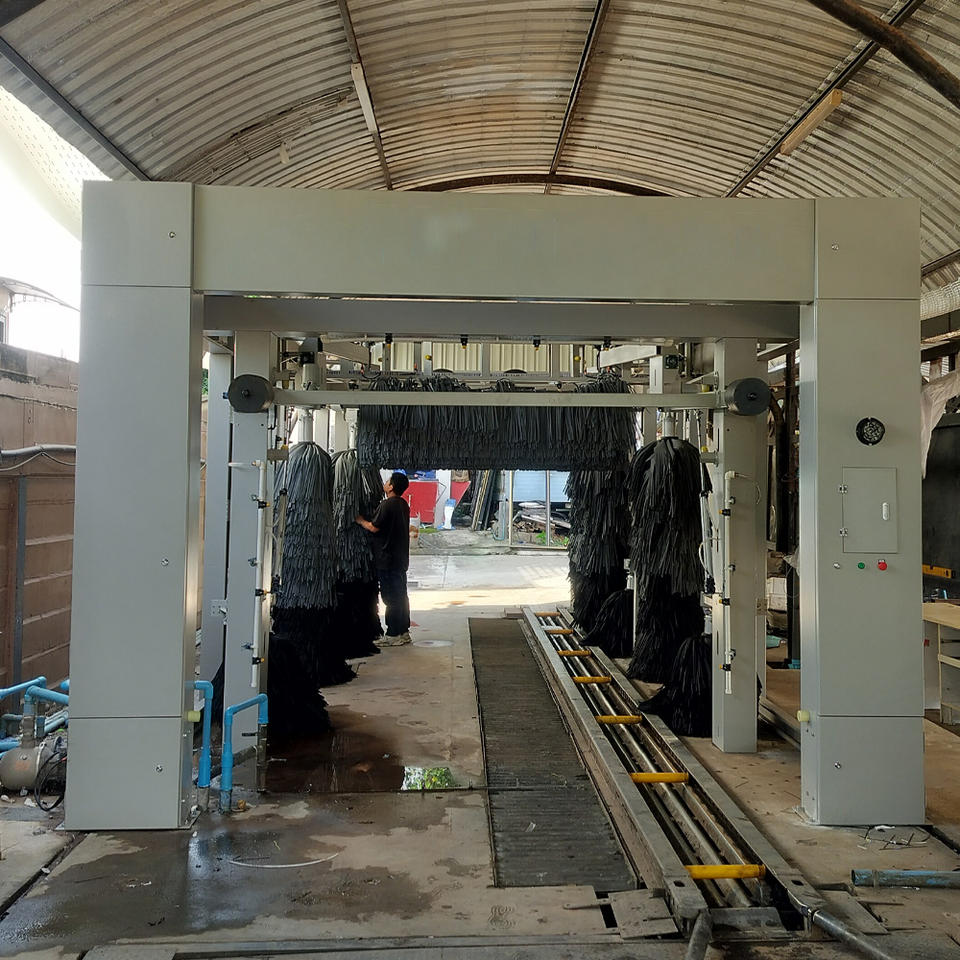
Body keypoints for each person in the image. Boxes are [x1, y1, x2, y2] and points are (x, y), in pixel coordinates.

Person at [356, 471, 412, 646]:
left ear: (391, 486)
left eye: (388, 481)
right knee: (401, 596)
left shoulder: (387, 505)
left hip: (387, 560)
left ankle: (393, 634)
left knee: (391, 598)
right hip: (400, 560)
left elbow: (374, 527)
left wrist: (360, 520)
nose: (385, 483)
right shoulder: (404, 505)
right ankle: (403, 632)